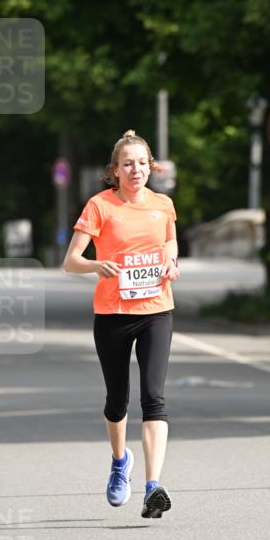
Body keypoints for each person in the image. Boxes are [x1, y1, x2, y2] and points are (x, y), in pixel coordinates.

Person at [63, 130, 180, 519]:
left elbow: (170, 243)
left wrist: (171, 262)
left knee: (154, 398)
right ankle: (119, 462)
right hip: (112, 314)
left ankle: (153, 486)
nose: (136, 170)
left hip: (156, 310)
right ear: (115, 170)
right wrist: (96, 265)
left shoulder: (163, 204)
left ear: (152, 167)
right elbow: (71, 261)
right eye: (127, 164)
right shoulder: (100, 206)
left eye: (142, 163)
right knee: (117, 401)